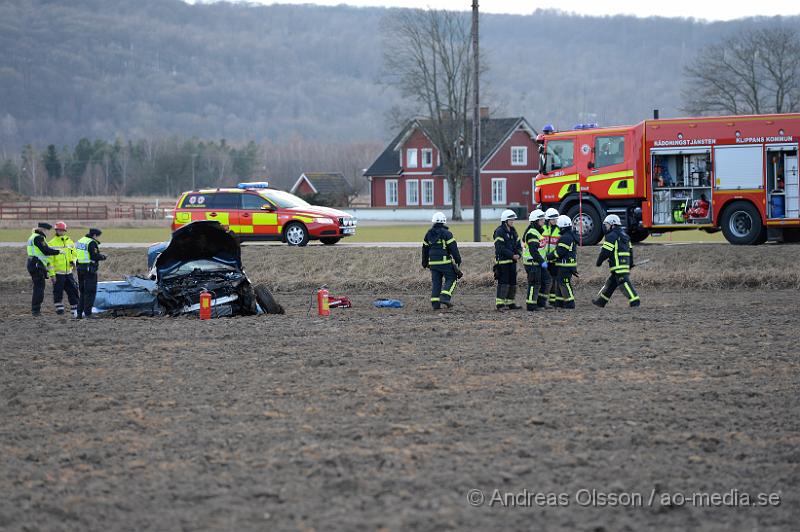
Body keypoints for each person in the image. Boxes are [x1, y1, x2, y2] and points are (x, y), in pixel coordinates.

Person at [592, 214, 640, 308]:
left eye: (607, 225)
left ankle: (635, 301)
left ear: (612, 224)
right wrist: (630, 263)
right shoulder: (625, 235)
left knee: (624, 283)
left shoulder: (611, 236)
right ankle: (601, 302)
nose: (606, 227)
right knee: (611, 284)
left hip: (618, 265)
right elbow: (630, 251)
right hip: (624, 264)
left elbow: (605, 252)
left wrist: (599, 262)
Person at [422, 212, 462, 310]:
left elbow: (424, 249)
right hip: (445, 262)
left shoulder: (428, 234)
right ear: (444, 222)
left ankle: (435, 304)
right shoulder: (447, 234)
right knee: (452, 278)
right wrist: (458, 259)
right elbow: (453, 248)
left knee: (436, 283)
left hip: (433, 264)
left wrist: (425, 263)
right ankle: (445, 297)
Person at [26, 222, 62, 316]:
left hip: (33, 263)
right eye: (47, 230)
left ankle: (35, 309)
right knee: (39, 288)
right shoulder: (39, 238)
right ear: (42, 229)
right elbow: (46, 251)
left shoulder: (33, 236)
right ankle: (36, 311)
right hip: (36, 264)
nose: (48, 233)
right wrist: (58, 252)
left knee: (38, 287)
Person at [47, 221, 79, 316]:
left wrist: (73, 261)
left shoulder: (69, 241)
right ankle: (59, 309)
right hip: (58, 273)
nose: (61, 232)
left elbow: (75, 254)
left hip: (68, 273)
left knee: (73, 291)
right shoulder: (51, 243)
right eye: (59, 230)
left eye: (62, 230)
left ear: (65, 231)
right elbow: (50, 261)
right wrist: (52, 275)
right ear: (56, 230)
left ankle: (75, 310)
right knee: (58, 292)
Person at [493, 209, 522, 311]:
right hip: (503, 263)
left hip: (512, 263)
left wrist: (519, 254)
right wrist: (512, 255)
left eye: (513, 220)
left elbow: (519, 245)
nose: (512, 222)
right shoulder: (499, 232)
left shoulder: (513, 231)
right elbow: (500, 248)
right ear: (505, 221)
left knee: (512, 283)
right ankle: (500, 304)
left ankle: (510, 303)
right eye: (511, 220)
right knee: (503, 283)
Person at [76, 228, 107, 319]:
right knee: (90, 291)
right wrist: (103, 257)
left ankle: (79, 313)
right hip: (89, 270)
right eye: (98, 236)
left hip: (80, 268)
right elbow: (94, 255)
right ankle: (88, 313)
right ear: (94, 235)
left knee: (82, 291)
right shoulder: (92, 242)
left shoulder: (81, 241)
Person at [548, 215, 577, 309]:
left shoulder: (566, 237)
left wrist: (549, 257)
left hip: (566, 265)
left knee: (564, 283)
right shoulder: (569, 235)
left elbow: (559, 252)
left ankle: (570, 303)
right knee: (559, 283)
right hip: (565, 264)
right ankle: (559, 302)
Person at [522, 209, 547, 311]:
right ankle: (531, 305)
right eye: (541, 219)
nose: (543, 221)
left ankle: (539, 303)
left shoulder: (537, 231)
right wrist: (542, 262)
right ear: (536, 221)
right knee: (534, 284)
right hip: (532, 263)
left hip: (537, 262)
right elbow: (533, 251)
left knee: (544, 281)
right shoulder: (532, 233)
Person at [541, 208, 561, 306]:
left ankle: (552, 301)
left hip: (554, 260)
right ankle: (543, 301)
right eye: (553, 219)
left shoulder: (559, 229)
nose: (555, 221)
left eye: (556, 219)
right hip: (544, 260)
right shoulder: (542, 229)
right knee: (544, 281)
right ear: (548, 219)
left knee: (554, 281)